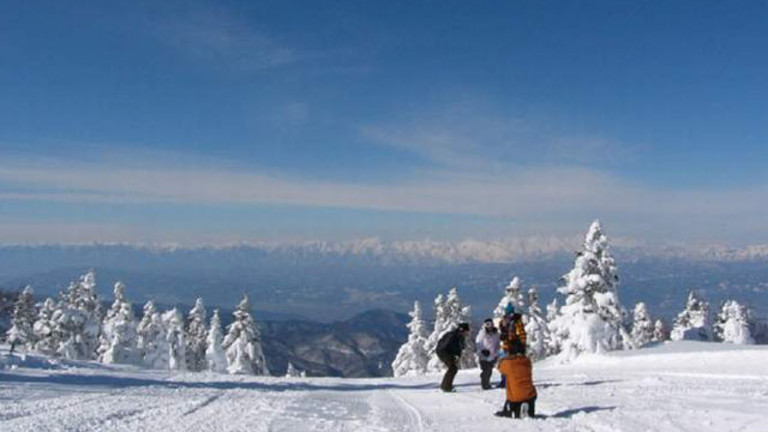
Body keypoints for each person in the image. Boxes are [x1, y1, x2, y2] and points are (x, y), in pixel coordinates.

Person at [495, 340, 537, 419]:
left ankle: (515, 412)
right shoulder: (527, 361)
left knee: (512, 404)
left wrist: (503, 356)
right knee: (530, 396)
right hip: (529, 394)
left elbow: (499, 367)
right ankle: (529, 410)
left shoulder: (507, 363)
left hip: (515, 396)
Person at [497, 303, 527, 388]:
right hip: (506, 346)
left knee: (513, 364)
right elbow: (502, 332)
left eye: (510, 313)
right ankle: (504, 381)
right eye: (508, 313)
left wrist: (522, 344)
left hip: (515, 346)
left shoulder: (516, 321)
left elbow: (521, 333)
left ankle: (512, 381)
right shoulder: (503, 321)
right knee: (504, 363)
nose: (509, 314)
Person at [436, 322, 471, 392]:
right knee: (453, 368)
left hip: (450, 354)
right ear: (462, 330)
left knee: (453, 369)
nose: (468, 333)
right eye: (467, 331)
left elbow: (460, 348)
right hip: (443, 352)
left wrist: (457, 356)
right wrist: (451, 356)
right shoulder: (452, 336)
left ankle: (446, 386)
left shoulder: (460, 337)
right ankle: (445, 387)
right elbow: (444, 346)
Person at [475, 318, 500, 390]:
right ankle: (485, 385)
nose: (490, 326)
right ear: (485, 325)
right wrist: (482, 350)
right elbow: (478, 343)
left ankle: (485, 380)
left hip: (492, 355)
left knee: (489, 371)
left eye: (491, 324)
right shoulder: (482, 333)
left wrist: (497, 353)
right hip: (483, 356)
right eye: (487, 324)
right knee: (486, 370)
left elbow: (498, 344)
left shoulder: (496, 333)